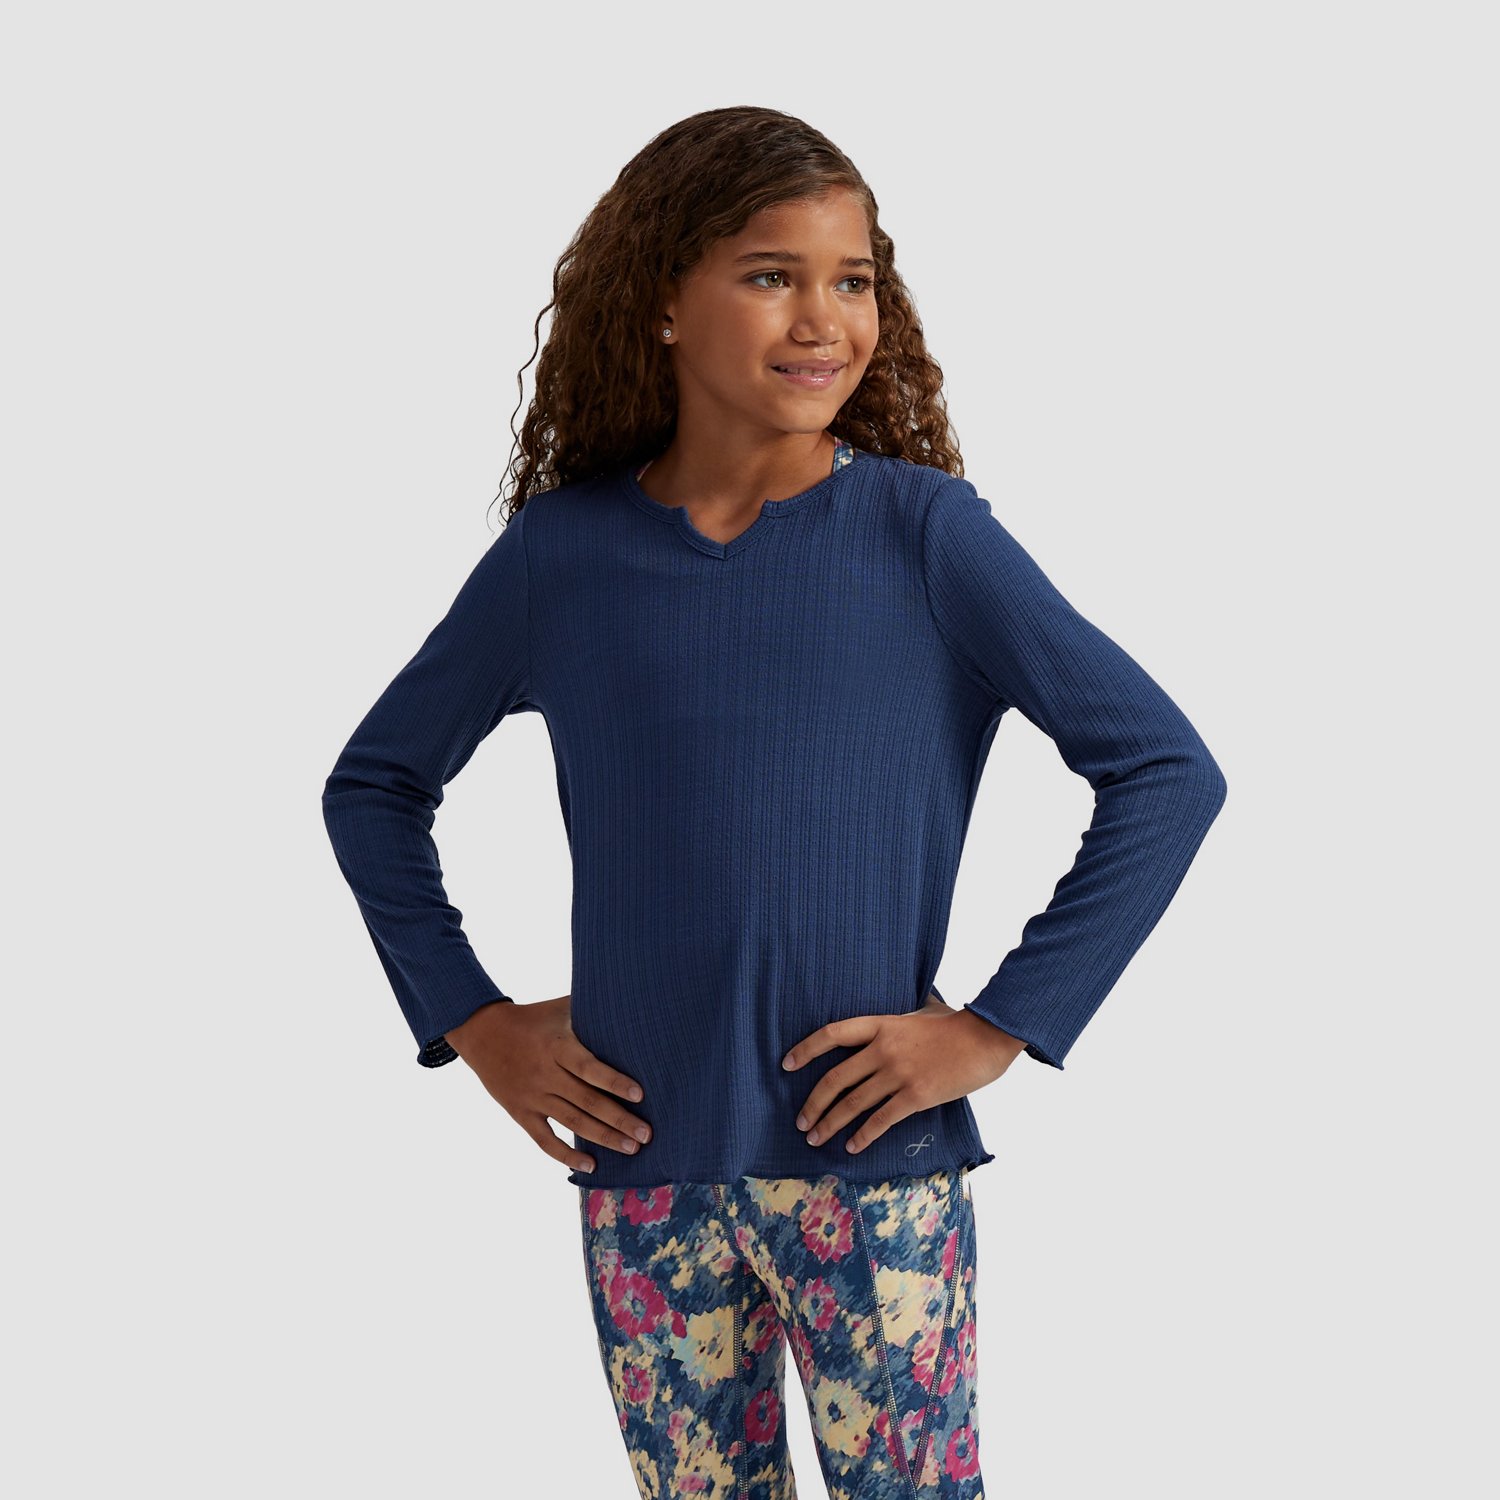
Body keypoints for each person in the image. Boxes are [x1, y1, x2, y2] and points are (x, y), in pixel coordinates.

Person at [321, 105, 1227, 1499]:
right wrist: (474, 1021)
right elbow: (377, 787)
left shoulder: (926, 536)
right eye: (769, 275)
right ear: (662, 303)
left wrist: (1000, 1026)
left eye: (852, 280)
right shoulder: (564, 557)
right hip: (644, 1174)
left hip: (873, 1172)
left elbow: (1164, 771)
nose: (823, 319)